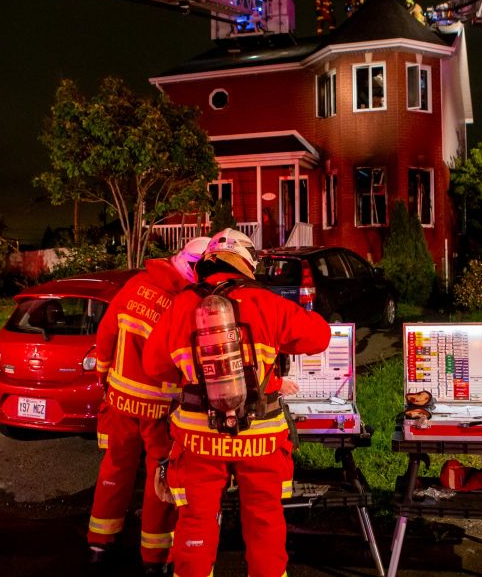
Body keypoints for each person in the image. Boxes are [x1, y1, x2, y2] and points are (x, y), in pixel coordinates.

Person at [143, 228, 331, 577]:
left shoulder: (181, 305)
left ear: (207, 263)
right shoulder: (267, 302)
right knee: (265, 521)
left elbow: (153, 366)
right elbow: (319, 336)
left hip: (198, 439)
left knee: (195, 523)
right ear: (246, 263)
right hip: (261, 438)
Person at [87, 236, 211, 575]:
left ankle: (99, 545)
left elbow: (106, 334)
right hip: (161, 408)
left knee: (114, 469)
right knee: (162, 478)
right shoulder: (185, 302)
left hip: (121, 401)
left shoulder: (136, 285)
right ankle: (153, 559)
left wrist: (104, 376)